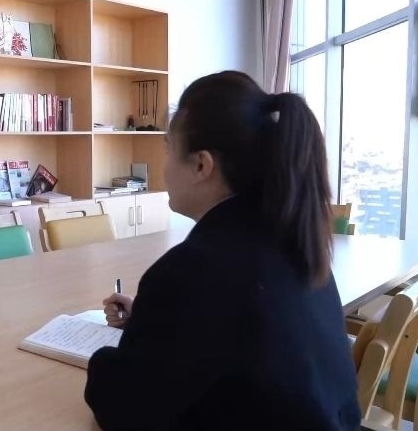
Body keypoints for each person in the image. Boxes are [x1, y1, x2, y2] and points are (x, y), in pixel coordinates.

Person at [84, 71, 361, 430]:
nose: (163, 168)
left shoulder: (192, 270)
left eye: (168, 150)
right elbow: (238, 335)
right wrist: (153, 318)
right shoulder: (295, 242)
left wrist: (101, 359)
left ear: (201, 165)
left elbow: (125, 410)